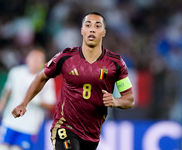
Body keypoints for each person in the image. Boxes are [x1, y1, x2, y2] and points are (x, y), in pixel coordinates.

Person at [12, 12, 135, 150]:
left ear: (104, 32)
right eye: (88, 25)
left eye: (97, 26)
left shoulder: (115, 63)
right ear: (82, 31)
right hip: (64, 126)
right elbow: (41, 77)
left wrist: (115, 101)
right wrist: (24, 103)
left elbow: (129, 99)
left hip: (92, 134)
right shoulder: (66, 57)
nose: (92, 29)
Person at [0, 48, 56, 150]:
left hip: (29, 126)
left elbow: (51, 104)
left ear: (43, 62)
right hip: (10, 121)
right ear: (27, 59)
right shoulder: (16, 72)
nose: (35, 62)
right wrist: (2, 102)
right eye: (33, 58)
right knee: (1, 148)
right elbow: (8, 89)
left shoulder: (46, 79)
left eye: (38, 59)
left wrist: (38, 101)